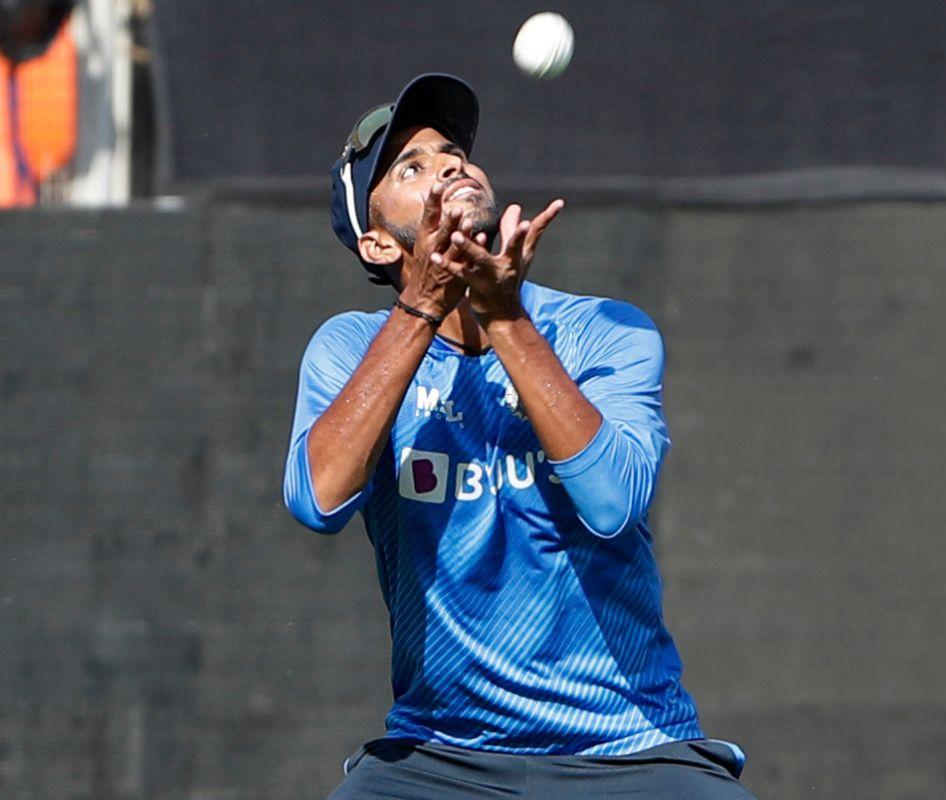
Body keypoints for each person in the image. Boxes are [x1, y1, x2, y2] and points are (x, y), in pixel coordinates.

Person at [283, 73, 756, 800]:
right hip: (437, 756)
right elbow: (318, 499)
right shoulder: (348, 350)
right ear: (377, 244)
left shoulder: (604, 330)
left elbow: (612, 502)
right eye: (410, 169)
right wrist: (424, 308)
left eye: (453, 154)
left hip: (631, 747)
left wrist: (504, 319)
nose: (449, 167)